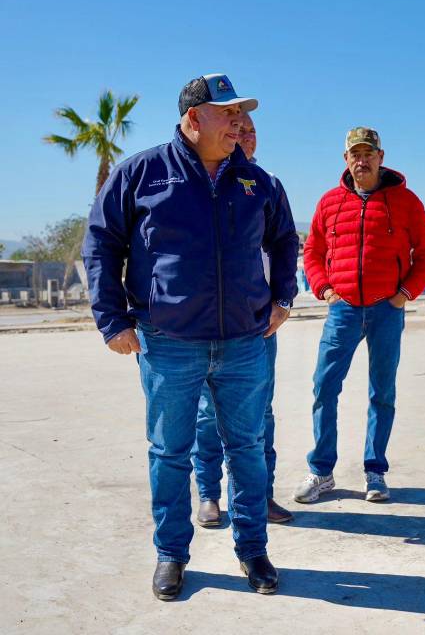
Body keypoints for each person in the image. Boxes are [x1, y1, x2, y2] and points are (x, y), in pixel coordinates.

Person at [82, 74, 299, 600]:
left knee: (247, 448)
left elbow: (285, 239)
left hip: (245, 341)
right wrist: (113, 321)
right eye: (228, 113)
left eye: (241, 114)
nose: (240, 123)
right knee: (170, 452)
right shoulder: (142, 174)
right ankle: (171, 555)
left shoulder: (257, 181)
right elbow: (101, 245)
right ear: (193, 118)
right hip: (168, 340)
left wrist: (283, 298)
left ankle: (253, 551)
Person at [295, 127, 425, 503]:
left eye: (368, 153)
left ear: (380, 156)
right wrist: (324, 289)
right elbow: (312, 251)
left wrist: (404, 294)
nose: (362, 160)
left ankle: (375, 473)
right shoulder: (329, 203)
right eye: (354, 154)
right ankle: (321, 471)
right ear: (346, 159)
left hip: (385, 311)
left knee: (382, 392)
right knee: (324, 387)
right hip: (342, 311)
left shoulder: (405, 201)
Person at [192, 112, 294, 528]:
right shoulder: (204, 182)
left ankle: (259, 495)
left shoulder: (266, 185)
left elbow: (285, 244)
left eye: (251, 131)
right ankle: (209, 495)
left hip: (256, 324)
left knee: (260, 414)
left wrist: (281, 301)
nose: (244, 136)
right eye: (238, 128)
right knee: (205, 414)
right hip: (204, 326)